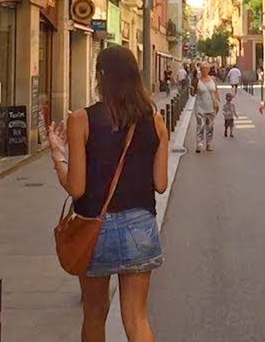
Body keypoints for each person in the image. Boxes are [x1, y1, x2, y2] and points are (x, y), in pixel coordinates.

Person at [48, 46, 168, 342]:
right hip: (140, 226)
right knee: (137, 319)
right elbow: (161, 184)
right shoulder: (155, 121)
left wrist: (57, 156)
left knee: (94, 314)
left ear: (101, 76)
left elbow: (76, 188)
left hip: (95, 228)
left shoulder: (81, 119)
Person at [191, 61, 219, 153]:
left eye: (206, 68)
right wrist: (192, 86)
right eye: (203, 68)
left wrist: (217, 101)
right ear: (200, 69)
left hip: (211, 106)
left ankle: (209, 143)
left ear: (209, 70)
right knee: (200, 125)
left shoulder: (213, 79)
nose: (204, 70)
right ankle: (199, 144)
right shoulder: (197, 81)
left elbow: (216, 90)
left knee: (210, 126)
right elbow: (192, 94)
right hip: (200, 106)